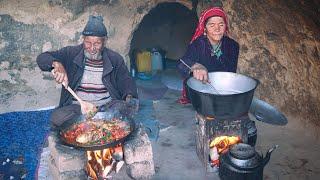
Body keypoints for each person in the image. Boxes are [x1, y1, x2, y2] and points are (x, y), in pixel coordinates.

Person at [37, 15, 138, 127]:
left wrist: (129, 96)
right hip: (78, 107)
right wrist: (56, 63)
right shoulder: (70, 53)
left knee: (121, 109)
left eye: (97, 43)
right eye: (88, 43)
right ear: (83, 39)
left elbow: (126, 80)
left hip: (106, 107)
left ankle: (95, 123)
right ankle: (95, 124)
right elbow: (42, 58)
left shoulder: (115, 59)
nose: (92, 48)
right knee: (56, 117)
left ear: (105, 42)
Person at [177, 6, 239, 104]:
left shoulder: (233, 45)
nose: (217, 29)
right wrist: (196, 66)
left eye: (221, 24)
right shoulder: (198, 44)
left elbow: (231, 72)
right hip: (201, 89)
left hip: (222, 88)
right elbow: (182, 64)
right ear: (204, 28)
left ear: (225, 26)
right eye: (212, 25)